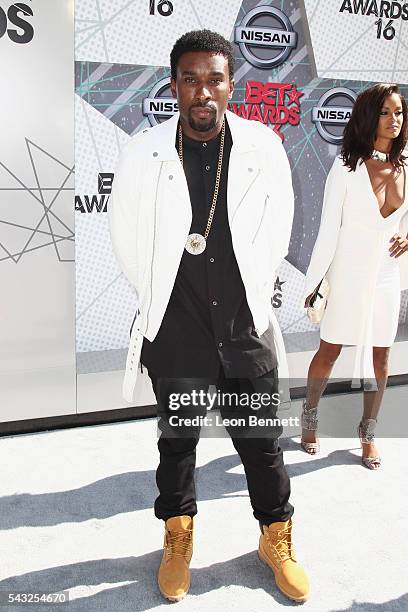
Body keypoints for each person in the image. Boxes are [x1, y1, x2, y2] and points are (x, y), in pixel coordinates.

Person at [109, 29, 309, 603]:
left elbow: (279, 225)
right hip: (178, 334)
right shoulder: (144, 151)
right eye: (191, 79)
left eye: (214, 79)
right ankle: (177, 537)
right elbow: (127, 238)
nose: (203, 92)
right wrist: (161, 302)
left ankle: (276, 536)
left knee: (262, 444)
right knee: (178, 444)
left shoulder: (262, 145)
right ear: (174, 85)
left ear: (231, 84)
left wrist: (249, 295)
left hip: (242, 329)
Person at [301, 83, 408, 468]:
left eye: (399, 112)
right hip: (347, 274)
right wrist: (316, 282)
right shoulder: (347, 167)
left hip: (385, 275)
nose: (394, 120)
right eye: (385, 112)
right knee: (329, 350)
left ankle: (369, 431)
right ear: (368, 117)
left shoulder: (406, 165)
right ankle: (309, 416)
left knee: (382, 358)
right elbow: (328, 227)